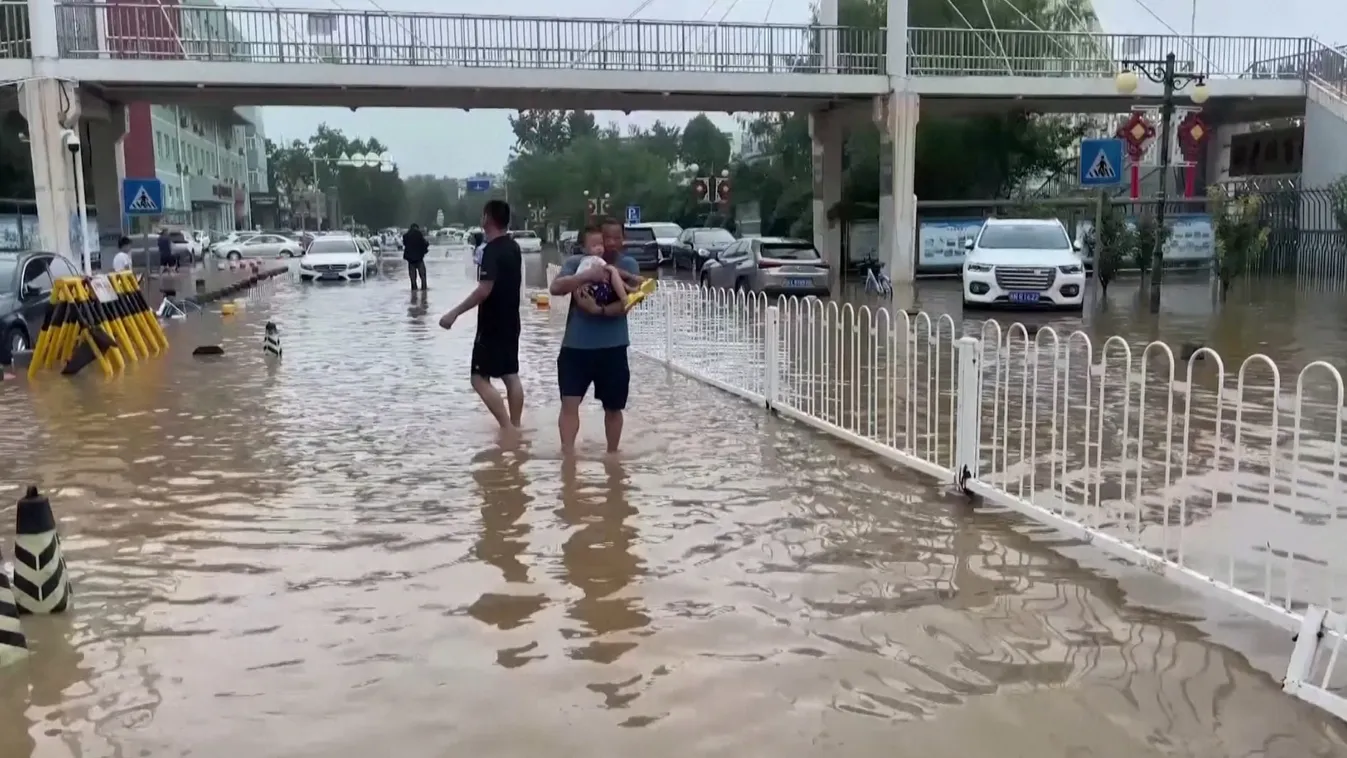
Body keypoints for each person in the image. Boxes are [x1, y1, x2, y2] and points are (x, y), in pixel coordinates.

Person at [549, 217, 644, 454]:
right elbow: (556, 288)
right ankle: (567, 458)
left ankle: (613, 456)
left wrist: (597, 310)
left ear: (624, 240)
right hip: (575, 347)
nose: (610, 243)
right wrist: (585, 276)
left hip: (613, 348)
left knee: (613, 408)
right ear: (595, 240)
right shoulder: (576, 263)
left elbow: (628, 304)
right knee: (569, 404)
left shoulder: (629, 266)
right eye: (605, 238)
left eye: (616, 238)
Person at [439, 200, 525, 430]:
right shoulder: (513, 247)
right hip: (512, 320)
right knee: (510, 374)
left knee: (478, 378)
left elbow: (483, 290)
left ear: (487, 219)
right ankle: (516, 426)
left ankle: (506, 428)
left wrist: (454, 313)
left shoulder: (492, 251)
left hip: (492, 324)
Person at [402, 223, 430, 290]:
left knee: (413, 279)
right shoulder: (419, 234)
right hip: (419, 259)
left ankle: (414, 293)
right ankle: (424, 292)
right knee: (423, 277)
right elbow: (424, 243)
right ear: (417, 227)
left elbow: (405, 244)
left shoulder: (406, 236)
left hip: (411, 260)